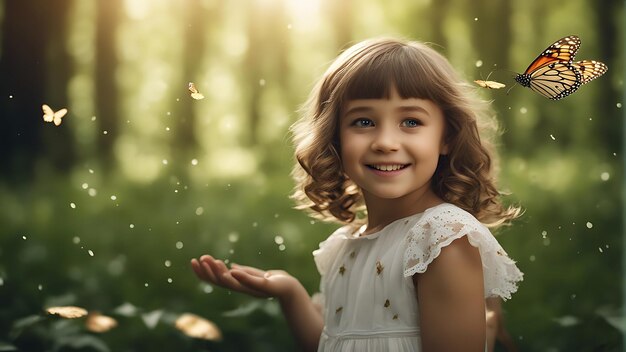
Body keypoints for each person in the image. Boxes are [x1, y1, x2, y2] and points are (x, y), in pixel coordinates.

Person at [191, 37, 523, 352]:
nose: (385, 142)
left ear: (446, 137)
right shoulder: (345, 245)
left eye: (410, 121)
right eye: (363, 121)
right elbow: (334, 342)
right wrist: (290, 293)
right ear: (334, 138)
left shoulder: (440, 239)